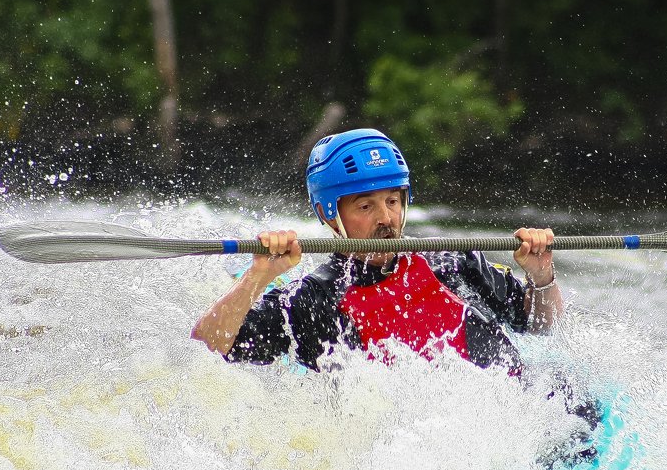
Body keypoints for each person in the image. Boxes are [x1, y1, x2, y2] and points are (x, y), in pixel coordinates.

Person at [191, 128, 564, 373]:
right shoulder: (314, 300)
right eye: (366, 206)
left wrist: (541, 275)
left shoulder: (453, 259)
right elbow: (211, 342)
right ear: (329, 213)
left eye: (392, 201)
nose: (386, 218)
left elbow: (540, 324)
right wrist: (259, 276)